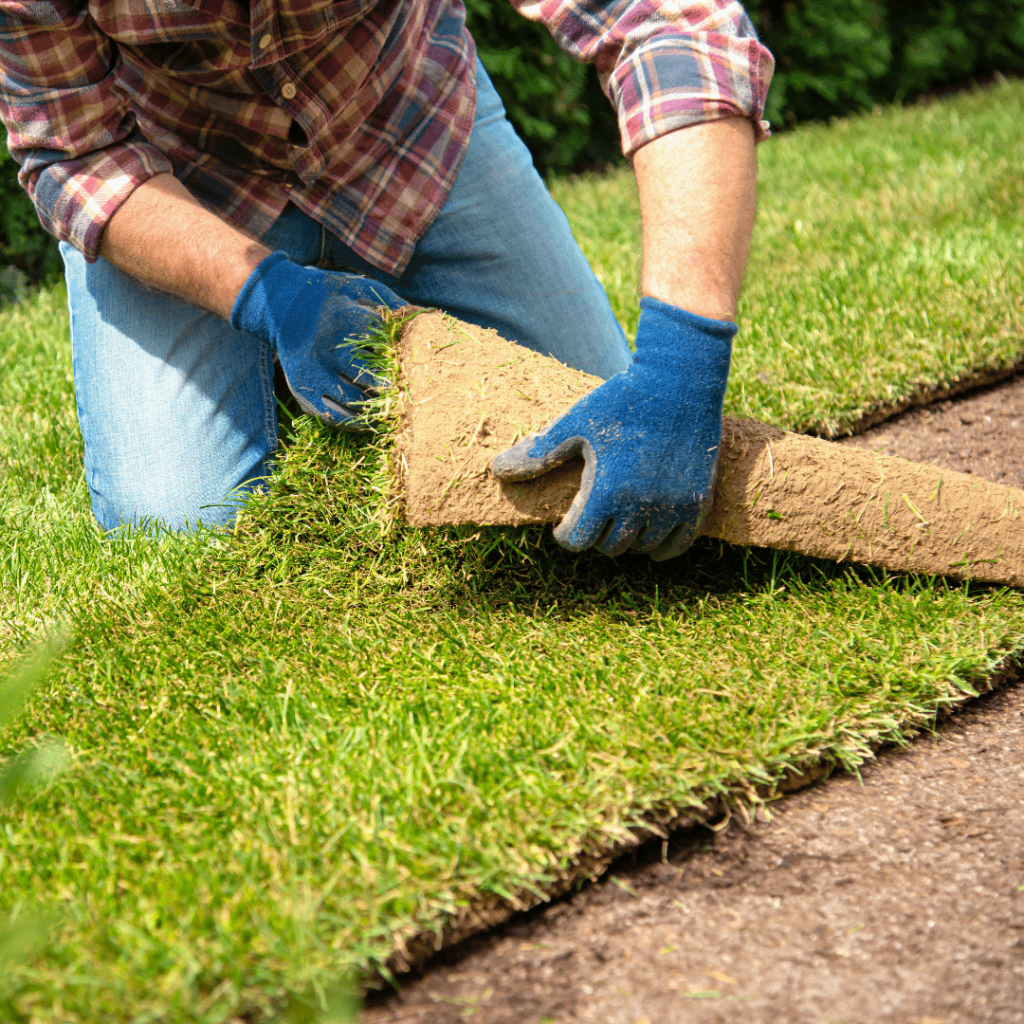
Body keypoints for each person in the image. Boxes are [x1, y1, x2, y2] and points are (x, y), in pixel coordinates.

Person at [0, 0, 773, 558]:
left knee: (590, 429)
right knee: (173, 525)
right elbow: (77, 155)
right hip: (182, 176)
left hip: (401, 125)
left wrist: (683, 361)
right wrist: (271, 298)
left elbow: (674, 25)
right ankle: (270, 334)